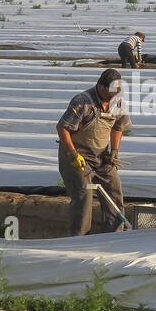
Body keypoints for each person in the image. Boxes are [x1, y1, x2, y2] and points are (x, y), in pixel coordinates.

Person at [56, 68, 132, 236]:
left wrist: (115, 151)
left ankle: (114, 236)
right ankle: (78, 240)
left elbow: (119, 126)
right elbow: (62, 128)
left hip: (101, 156)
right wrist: (72, 154)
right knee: (84, 198)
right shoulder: (83, 102)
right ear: (101, 87)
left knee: (114, 192)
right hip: (78, 157)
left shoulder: (118, 102)